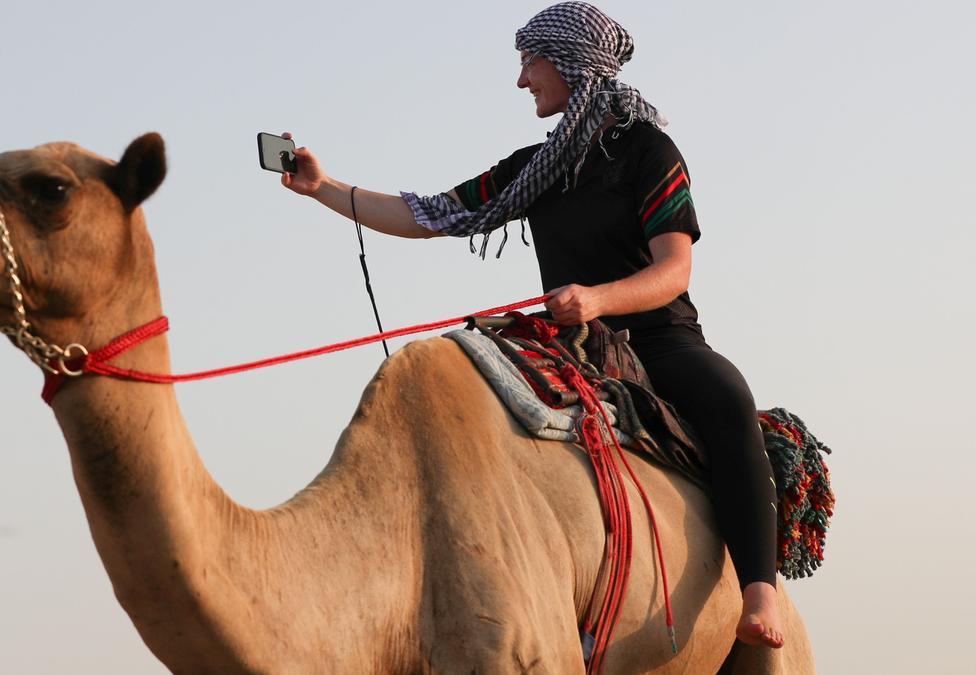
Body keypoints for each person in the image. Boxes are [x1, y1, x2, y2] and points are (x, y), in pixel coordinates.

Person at [279, 1, 784, 649]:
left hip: (658, 340)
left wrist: (599, 300)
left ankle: (760, 590)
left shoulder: (647, 151)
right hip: (574, 346)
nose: (522, 81)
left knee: (727, 397)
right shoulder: (534, 168)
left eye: (530, 62)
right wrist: (325, 187)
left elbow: (674, 268)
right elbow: (427, 214)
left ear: (570, 62)